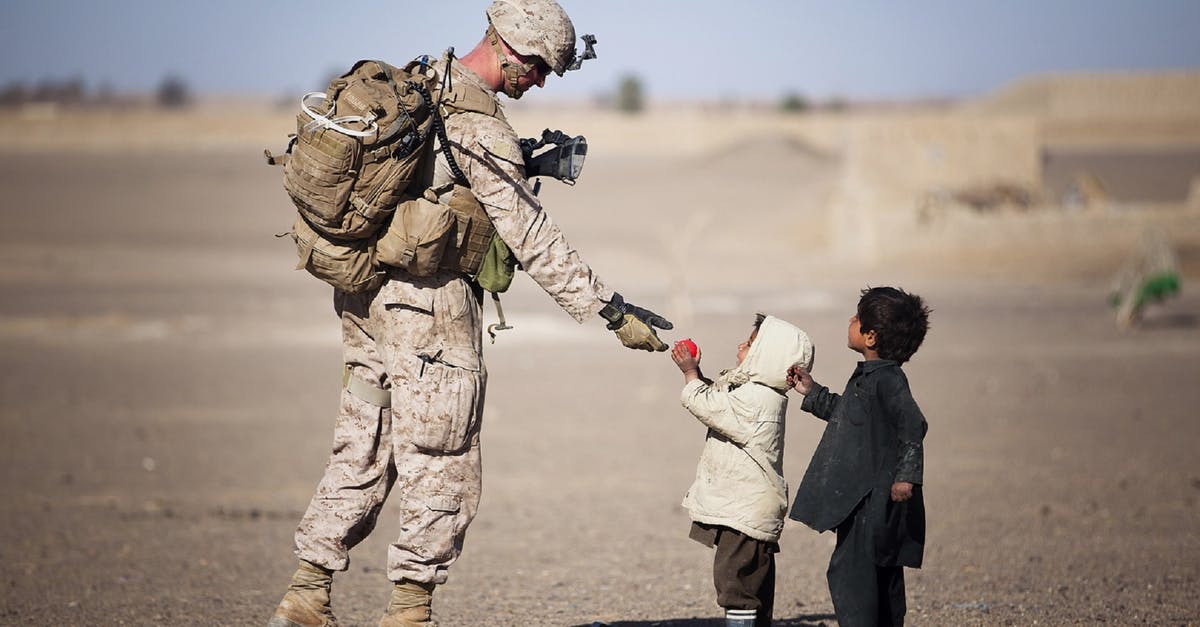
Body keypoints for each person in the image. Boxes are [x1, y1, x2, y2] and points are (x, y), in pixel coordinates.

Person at [267, 2, 673, 626]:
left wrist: (520, 165)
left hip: (366, 299)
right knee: (442, 457)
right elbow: (529, 233)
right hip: (428, 311)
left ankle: (307, 591)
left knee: (362, 444)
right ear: (509, 48)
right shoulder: (481, 125)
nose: (537, 83)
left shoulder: (425, 81)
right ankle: (409, 611)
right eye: (537, 69)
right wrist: (609, 310)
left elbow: (437, 181)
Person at [786, 286, 931, 627]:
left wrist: (906, 476)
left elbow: (913, 425)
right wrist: (812, 392)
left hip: (875, 500)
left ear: (870, 336)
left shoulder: (888, 381)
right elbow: (848, 416)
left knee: (854, 577)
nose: (850, 321)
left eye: (857, 317)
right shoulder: (871, 378)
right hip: (861, 499)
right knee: (874, 573)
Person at [669, 315, 815, 627]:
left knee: (736, 584)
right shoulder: (758, 393)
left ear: (767, 356)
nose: (740, 346)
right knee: (753, 583)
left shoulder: (757, 398)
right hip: (748, 507)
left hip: (745, 512)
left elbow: (709, 407)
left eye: (750, 344)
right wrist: (701, 376)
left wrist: (690, 373)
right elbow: (722, 402)